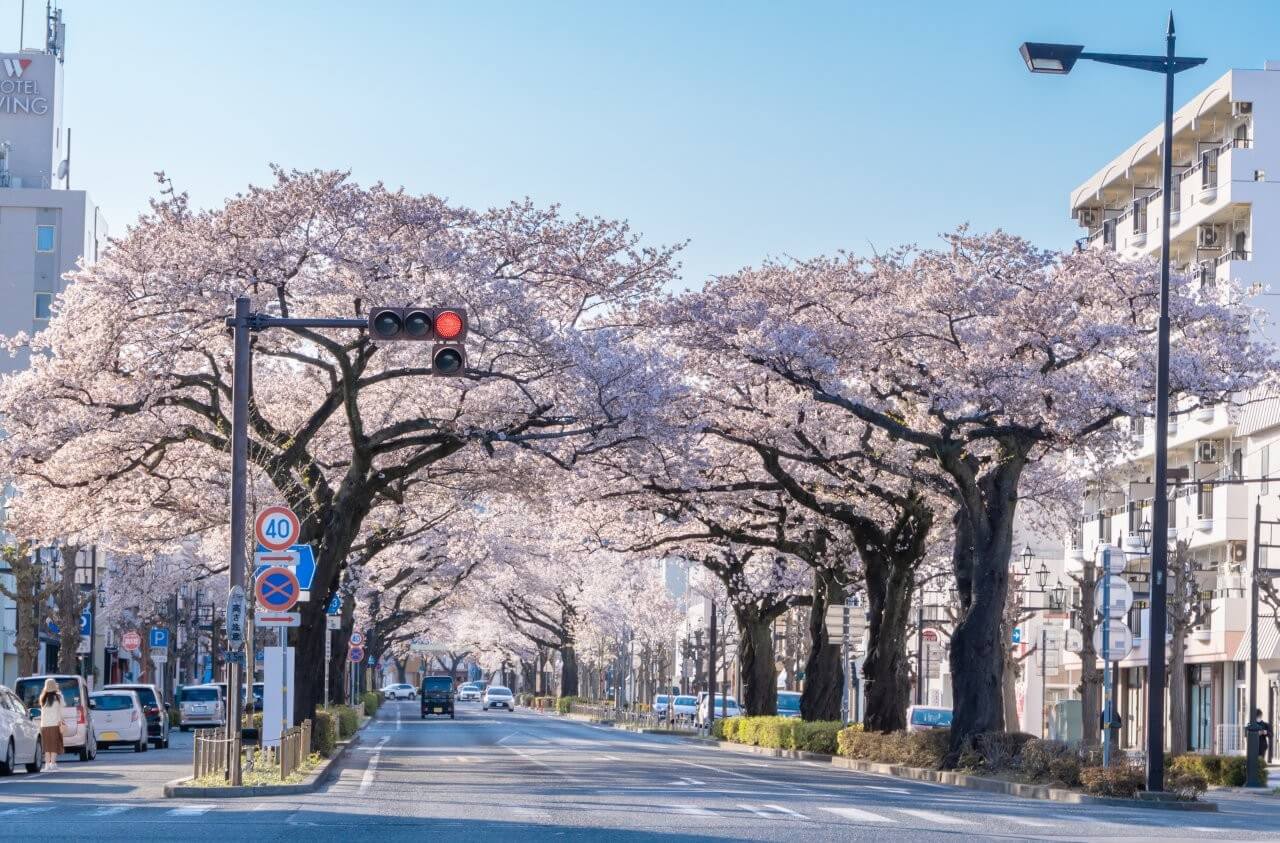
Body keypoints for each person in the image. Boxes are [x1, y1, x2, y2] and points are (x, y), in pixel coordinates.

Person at [37, 678, 65, 770]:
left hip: (44, 725)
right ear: (54, 686)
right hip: (55, 724)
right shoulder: (58, 697)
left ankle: (47, 764)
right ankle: (53, 763)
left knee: (47, 745)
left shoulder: (42, 698)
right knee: (54, 745)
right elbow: (62, 708)